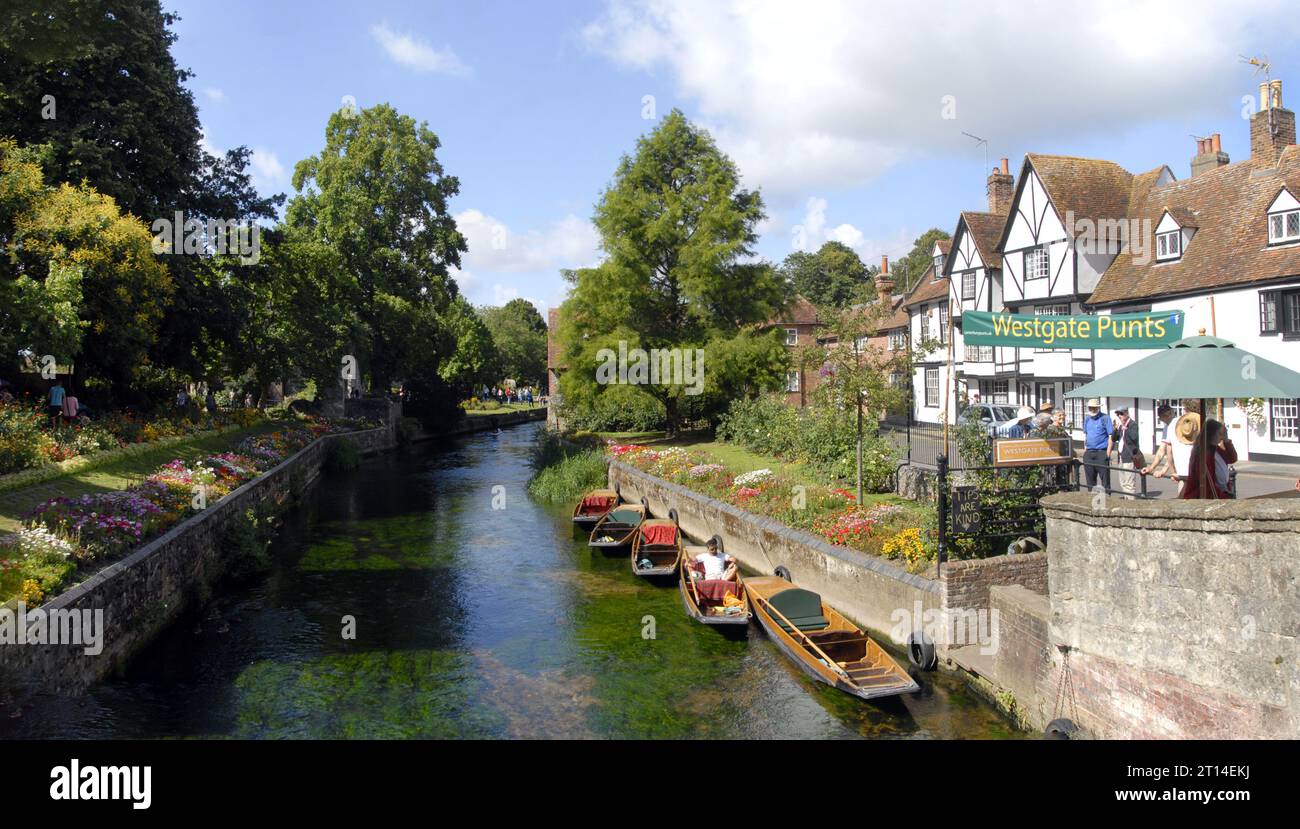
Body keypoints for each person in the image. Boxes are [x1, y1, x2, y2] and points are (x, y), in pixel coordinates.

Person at [1180, 419, 1237, 499]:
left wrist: (1226, 441)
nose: (1221, 437)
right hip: (1204, 497)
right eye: (1220, 434)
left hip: (1219, 492)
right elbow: (1208, 485)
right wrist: (1224, 497)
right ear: (1212, 434)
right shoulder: (1204, 454)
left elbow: (1232, 458)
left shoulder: (1215, 449)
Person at [1110, 406, 1141, 498]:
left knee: (1129, 483)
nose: (1119, 416)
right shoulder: (1120, 426)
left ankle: (1131, 502)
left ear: (1126, 413)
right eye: (1118, 414)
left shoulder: (1133, 424)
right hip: (1121, 457)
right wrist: (1115, 429)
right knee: (1123, 482)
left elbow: (1134, 438)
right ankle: (1126, 499)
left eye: (1121, 414)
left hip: (1129, 458)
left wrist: (1126, 429)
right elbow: (1114, 439)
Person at [1081, 398, 1112, 492]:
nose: (1092, 410)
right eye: (1091, 408)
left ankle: (1107, 501)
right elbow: (1086, 435)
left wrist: (1108, 453)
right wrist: (1085, 449)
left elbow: (1111, 436)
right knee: (1090, 481)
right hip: (1089, 452)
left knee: (1105, 480)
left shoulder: (1105, 418)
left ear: (1098, 408)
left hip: (1101, 452)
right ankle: (1092, 501)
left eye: (1094, 408)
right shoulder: (1087, 419)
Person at [1142, 405, 1177, 478]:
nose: (1168, 417)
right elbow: (1161, 450)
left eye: (1169, 414)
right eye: (1164, 416)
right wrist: (1151, 468)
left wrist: (1163, 470)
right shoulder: (1167, 428)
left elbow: (1175, 451)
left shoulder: (1177, 425)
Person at [1170, 411, 1201, 493]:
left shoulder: (1173, 424)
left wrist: (1173, 471)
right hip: (1196, 477)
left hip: (1182, 474)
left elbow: (1168, 451)